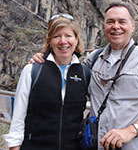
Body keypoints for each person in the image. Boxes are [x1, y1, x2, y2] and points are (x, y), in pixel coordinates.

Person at [29, 2, 138, 150]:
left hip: (136, 145)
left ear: (132, 26)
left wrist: (130, 131)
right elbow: (68, 75)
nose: (116, 26)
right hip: (98, 145)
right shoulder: (93, 59)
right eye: (110, 22)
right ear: (104, 26)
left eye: (122, 21)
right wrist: (45, 58)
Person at [4, 14, 89, 150]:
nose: (63, 41)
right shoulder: (33, 70)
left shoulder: (85, 74)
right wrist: (14, 146)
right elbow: (19, 115)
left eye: (68, 36)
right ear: (49, 41)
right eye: (56, 36)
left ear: (76, 40)